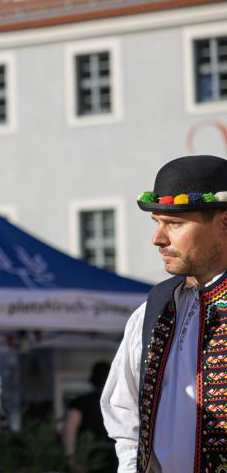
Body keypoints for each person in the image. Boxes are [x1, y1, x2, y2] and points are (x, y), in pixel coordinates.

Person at [101, 155, 227, 472]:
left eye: (175, 224)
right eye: (157, 222)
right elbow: (124, 412)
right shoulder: (154, 310)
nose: (158, 238)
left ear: (224, 221)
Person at [62, 361, 116, 472]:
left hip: (89, 458)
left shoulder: (80, 402)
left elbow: (70, 431)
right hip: (115, 459)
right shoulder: (119, 404)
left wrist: (71, 460)